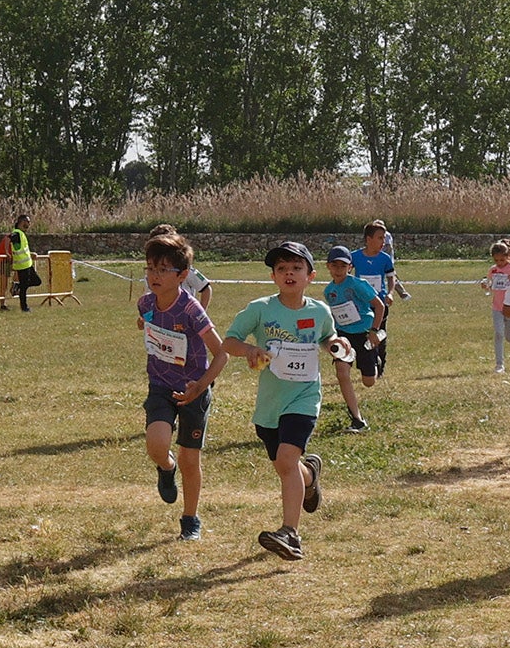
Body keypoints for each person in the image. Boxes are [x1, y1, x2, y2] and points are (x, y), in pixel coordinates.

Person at [223, 241, 346, 561]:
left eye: (296, 268)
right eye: (281, 269)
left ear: (310, 275)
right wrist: (249, 350)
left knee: (286, 459)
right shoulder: (260, 309)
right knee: (285, 465)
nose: (289, 273)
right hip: (270, 404)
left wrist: (337, 344)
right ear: (274, 276)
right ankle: (310, 476)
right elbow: (229, 341)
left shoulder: (319, 311)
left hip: (304, 397)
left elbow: (327, 338)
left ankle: (289, 533)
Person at [137, 230, 230, 540]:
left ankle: (190, 519)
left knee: (191, 458)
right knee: (157, 445)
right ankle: (166, 468)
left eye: (164, 270)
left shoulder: (191, 309)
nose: (154, 275)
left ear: (183, 275)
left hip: (194, 389)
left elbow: (221, 354)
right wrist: (146, 323)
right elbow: (145, 318)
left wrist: (200, 387)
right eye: (151, 268)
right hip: (161, 386)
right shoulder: (145, 302)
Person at [322, 245, 385, 433]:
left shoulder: (357, 284)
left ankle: (374, 358)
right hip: (343, 336)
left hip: (364, 332)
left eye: (343, 266)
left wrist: (374, 330)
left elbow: (379, 306)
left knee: (368, 381)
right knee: (342, 373)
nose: (339, 269)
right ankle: (357, 419)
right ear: (328, 267)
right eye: (335, 265)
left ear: (350, 267)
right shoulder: (329, 291)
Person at [351, 222, 396, 377]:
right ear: (368, 239)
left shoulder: (385, 259)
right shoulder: (354, 256)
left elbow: (391, 278)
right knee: (361, 335)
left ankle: (380, 365)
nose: (383, 242)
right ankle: (365, 364)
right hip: (360, 304)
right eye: (379, 238)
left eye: (384, 238)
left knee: (379, 334)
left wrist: (390, 293)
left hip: (379, 304)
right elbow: (345, 276)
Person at [147, 224, 212, 309]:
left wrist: (200, 314)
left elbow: (206, 289)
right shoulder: (151, 273)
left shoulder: (185, 270)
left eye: (163, 270)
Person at [482, 238, 510, 373]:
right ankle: (499, 365)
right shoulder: (493, 270)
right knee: (499, 334)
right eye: (496, 261)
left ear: (507, 257)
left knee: (509, 337)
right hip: (497, 308)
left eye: (502, 260)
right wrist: (485, 286)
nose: (499, 263)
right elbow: (490, 286)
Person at [370, 218, 411, 300]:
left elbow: (388, 247)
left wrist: (383, 257)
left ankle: (403, 294)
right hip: (376, 259)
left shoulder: (386, 235)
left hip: (385, 260)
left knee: (392, 277)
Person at [7, 214, 40, 312]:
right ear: (22, 222)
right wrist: (7, 252)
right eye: (28, 222)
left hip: (27, 263)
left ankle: (18, 286)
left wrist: (30, 254)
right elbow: (8, 239)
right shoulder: (16, 233)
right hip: (21, 265)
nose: (29, 224)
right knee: (24, 288)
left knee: (37, 281)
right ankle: (24, 308)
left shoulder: (21, 233)